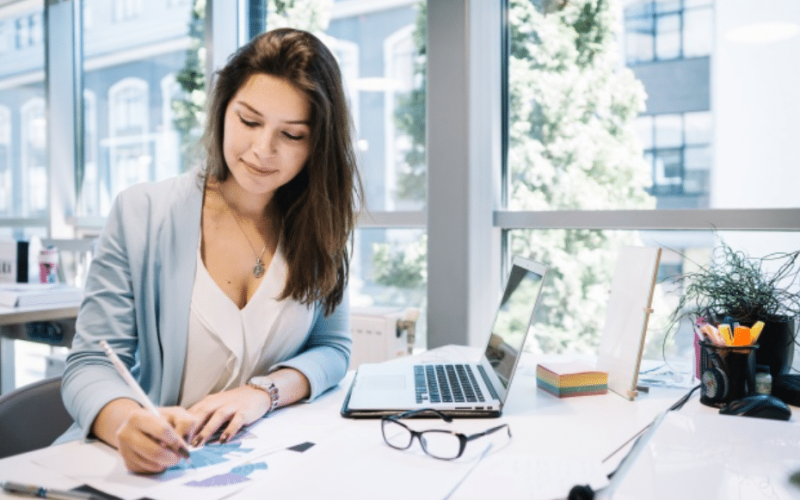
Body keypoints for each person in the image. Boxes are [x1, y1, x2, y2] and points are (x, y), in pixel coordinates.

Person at [57, 28, 362, 474]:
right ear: (223, 111)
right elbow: (88, 364)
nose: (263, 150)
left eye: (292, 135)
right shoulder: (143, 212)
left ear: (318, 144)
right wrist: (127, 425)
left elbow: (332, 349)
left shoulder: (320, 224)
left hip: (251, 468)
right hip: (141, 473)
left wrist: (263, 393)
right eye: (250, 121)